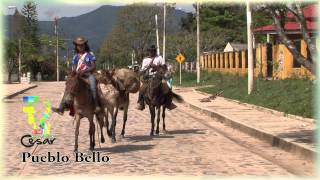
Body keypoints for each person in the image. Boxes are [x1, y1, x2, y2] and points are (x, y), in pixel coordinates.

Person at [52, 37, 101, 115]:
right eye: (78, 45)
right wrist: (72, 72)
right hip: (78, 75)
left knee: (93, 86)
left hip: (88, 75)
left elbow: (93, 67)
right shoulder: (75, 56)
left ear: (85, 45)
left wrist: (85, 70)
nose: (80, 47)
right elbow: (74, 68)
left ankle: (96, 105)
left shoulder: (90, 54)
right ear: (76, 46)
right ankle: (62, 107)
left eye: (82, 45)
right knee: (69, 87)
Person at [136, 45, 177, 111]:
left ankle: (169, 103)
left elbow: (164, 67)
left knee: (168, 87)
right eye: (151, 51)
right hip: (149, 77)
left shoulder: (160, 58)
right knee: (142, 89)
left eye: (154, 50)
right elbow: (142, 70)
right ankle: (141, 103)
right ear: (149, 51)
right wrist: (148, 67)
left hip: (159, 77)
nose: (152, 52)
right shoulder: (145, 60)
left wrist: (157, 67)